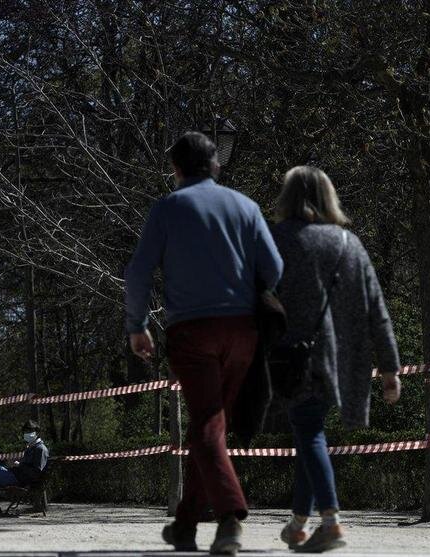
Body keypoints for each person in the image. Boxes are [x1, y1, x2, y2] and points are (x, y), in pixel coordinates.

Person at [125, 131, 283, 555]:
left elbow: (139, 273)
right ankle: (185, 526)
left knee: (208, 428)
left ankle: (230, 518)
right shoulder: (245, 206)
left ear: (175, 169)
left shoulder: (167, 208)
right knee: (210, 427)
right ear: (215, 165)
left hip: (192, 332)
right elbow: (274, 268)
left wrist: (137, 325)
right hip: (243, 331)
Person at [271, 166, 402, 552]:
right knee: (309, 431)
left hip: (295, 358)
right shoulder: (349, 244)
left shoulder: (276, 240)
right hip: (344, 361)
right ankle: (297, 524)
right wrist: (390, 368)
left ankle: (331, 523)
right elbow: (377, 308)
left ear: (287, 198)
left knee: (308, 430)